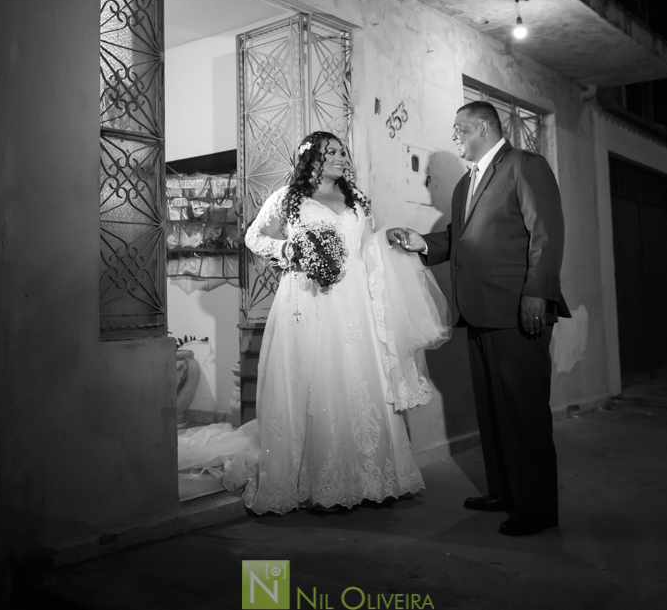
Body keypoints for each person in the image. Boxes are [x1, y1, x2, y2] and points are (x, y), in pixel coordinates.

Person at [232, 130, 450, 514]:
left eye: (343, 151)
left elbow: (366, 248)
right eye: (330, 151)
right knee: (313, 378)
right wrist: (288, 248)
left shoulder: (358, 199)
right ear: (311, 159)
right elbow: (253, 236)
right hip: (307, 297)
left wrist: (389, 239)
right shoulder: (289, 199)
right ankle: (313, 480)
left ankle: (367, 478)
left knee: (357, 380)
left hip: (353, 300)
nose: (340, 157)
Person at [387, 101, 569, 536]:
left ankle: (537, 508)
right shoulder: (464, 185)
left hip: (517, 309)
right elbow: (457, 238)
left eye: (459, 130)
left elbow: (547, 231)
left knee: (523, 412)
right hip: (478, 309)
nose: (454, 138)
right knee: (492, 412)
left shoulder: (525, 165)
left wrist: (536, 293)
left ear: (483, 128)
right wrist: (421, 242)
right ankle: (506, 491)